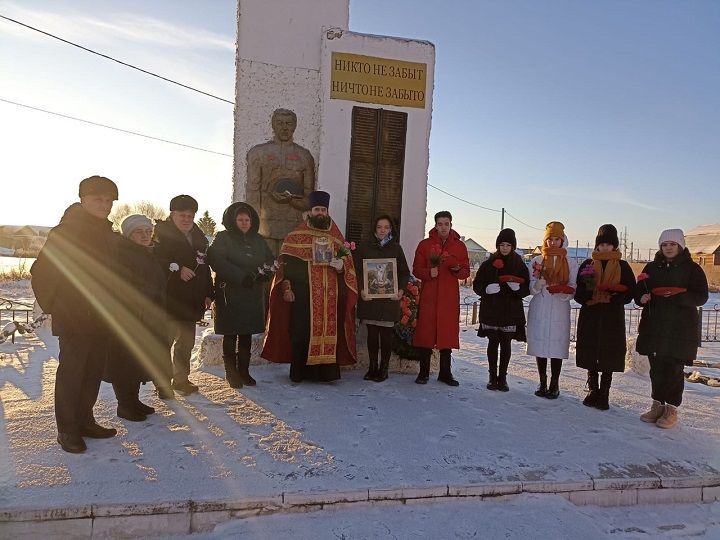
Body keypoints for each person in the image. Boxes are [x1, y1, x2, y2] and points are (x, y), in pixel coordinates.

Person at [31, 175, 121, 453]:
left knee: (93, 371)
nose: (104, 205)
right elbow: (41, 273)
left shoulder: (107, 233)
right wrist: (59, 307)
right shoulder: (66, 232)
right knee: (73, 372)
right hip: (75, 318)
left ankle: (85, 420)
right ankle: (67, 430)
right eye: (98, 199)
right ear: (83, 199)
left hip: (102, 317)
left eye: (109, 201)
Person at [262, 191, 358, 382]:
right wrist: (287, 288)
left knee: (331, 332)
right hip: (304, 297)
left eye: (323, 209)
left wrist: (341, 267)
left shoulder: (336, 237)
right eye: (317, 209)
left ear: (327, 211)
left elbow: (348, 266)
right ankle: (300, 373)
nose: (320, 213)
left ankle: (326, 374)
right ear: (310, 211)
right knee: (301, 333)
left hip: (331, 297)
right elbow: (285, 267)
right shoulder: (296, 235)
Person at [635, 229, 708, 429]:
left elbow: (702, 296)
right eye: (665, 244)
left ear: (680, 246)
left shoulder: (692, 269)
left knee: (674, 369)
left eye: (672, 244)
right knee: (656, 368)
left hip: (680, 329)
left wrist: (680, 296)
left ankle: (672, 409)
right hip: (655, 326)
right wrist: (642, 297)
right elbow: (640, 290)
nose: (668, 248)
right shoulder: (651, 267)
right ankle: (657, 405)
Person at [107, 214, 171, 421]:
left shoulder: (146, 252)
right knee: (125, 361)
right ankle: (124, 405)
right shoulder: (123, 254)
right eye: (139, 232)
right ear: (128, 234)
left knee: (137, 360)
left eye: (148, 231)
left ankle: (133, 401)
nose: (145, 236)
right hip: (130, 316)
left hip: (147, 315)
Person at [208, 202, 274, 388]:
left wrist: (266, 273)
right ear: (233, 221)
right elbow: (217, 261)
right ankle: (231, 373)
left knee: (246, 334)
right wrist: (241, 276)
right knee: (231, 334)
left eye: (247, 219)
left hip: (252, 293)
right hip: (230, 292)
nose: (244, 223)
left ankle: (244, 371)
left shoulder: (258, 240)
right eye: (240, 220)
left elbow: (270, 260)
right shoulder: (223, 238)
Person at [153, 195, 213, 396]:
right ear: (172, 214)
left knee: (186, 343)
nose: (186, 219)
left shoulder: (199, 237)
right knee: (165, 342)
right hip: (169, 298)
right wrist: (177, 270)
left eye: (190, 215)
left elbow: (205, 268)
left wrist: (208, 293)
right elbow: (155, 260)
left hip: (191, 300)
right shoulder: (160, 234)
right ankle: (162, 383)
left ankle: (181, 379)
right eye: (182, 215)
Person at [574, 225, 636, 410]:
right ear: (597, 245)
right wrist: (588, 295)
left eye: (609, 244)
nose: (605, 248)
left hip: (612, 316)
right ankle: (593, 390)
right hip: (591, 314)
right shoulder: (587, 265)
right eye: (602, 244)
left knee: (609, 352)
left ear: (615, 246)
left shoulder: (623, 266)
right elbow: (579, 292)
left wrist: (616, 297)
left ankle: (605, 393)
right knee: (591, 350)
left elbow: (630, 291)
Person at [246, 108, 316, 255]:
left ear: (294, 126)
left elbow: (310, 200)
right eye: (280, 123)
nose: (285, 127)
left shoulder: (304, 156)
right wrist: (251, 227)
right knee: (265, 272)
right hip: (264, 227)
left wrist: (290, 200)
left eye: (289, 123)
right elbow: (252, 194)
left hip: (293, 226)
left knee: (288, 273)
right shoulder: (258, 153)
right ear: (273, 125)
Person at [412, 211, 471, 386]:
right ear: (435, 225)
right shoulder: (425, 245)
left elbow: (466, 271)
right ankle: (423, 372)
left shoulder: (459, 246)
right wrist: (429, 273)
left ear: (451, 224)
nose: (443, 227)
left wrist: (457, 270)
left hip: (448, 297)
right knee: (426, 333)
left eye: (446, 224)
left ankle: (445, 373)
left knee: (447, 333)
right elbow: (416, 269)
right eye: (440, 224)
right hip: (429, 296)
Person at [353, 215, 410, 382]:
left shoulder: (396, 249)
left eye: (386, 227)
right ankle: (372, 368)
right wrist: (362, 290)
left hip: (388, 301)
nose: (383, 230)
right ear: (374, 229)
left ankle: (384, 369)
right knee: (372, 336)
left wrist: (400, 289)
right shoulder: (364, 248)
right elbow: (356, 271)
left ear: (390, 229)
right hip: (370, 300)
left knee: (385, 337)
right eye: (379, 227)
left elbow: (404, 272)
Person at [472, 228, 530, 391]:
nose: (505, 248)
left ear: (513, 246)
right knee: (492, 343)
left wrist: (518, 288)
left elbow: (527, 288)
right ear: (498, 245)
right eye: (502, 244)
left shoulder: (519, 264)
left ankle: (502, 378)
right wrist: (486, 289)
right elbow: (477, 285)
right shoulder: (488, 264)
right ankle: (492, 377)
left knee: (506, 344)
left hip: (510, 311)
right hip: (491, 310)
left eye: (508, 245)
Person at [526, 221, 578, 399]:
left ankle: (554, 383)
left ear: (563, 241)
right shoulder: (537, 260)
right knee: (540, 344)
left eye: (557, 239)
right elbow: (530, 288)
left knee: (556, 346)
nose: (553, 242)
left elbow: (573, 286)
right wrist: (537, 285)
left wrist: (564, 292)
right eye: (550, 239)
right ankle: (542, 381)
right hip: (540, 306)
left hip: (559, 308)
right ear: (545, 240)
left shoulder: (570, 262)